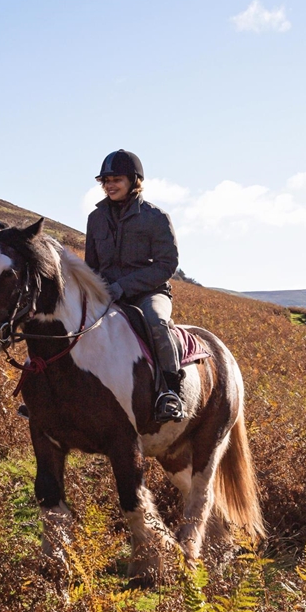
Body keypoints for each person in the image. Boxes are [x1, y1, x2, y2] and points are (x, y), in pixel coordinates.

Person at [85, 149, 185, 422]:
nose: (110, 185)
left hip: (149, 293)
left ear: (134, 181)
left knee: (157, 322)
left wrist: (123, 287)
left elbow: (166, 265)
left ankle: (171, 392)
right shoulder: (95, 219)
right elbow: (91, 266)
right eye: (106, 181)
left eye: (116, 179)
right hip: (106, 294)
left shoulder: (156, 217)